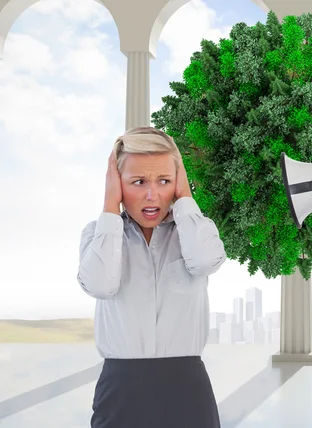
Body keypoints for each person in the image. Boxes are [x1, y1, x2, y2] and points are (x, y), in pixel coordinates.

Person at [77, 126, 226, 427]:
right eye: (138, 181)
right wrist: (109, 206)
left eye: (164, 181)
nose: (152, 195)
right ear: (117, 184)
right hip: (121, 389)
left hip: (187, 389)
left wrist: (184, 197)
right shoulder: (98, 234)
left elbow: (205, 262)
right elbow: (100, 285)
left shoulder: (195, 230)